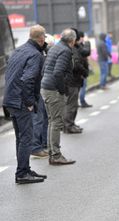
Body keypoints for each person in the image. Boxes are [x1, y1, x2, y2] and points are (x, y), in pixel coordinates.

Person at [3, 24, 47, 184]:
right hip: (21, 100)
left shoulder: (20, 50)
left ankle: (24, 169)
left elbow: (10, 74)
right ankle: (22, 173)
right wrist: (29, 102)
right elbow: (28, 79)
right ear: (42, 38)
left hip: (10, 99)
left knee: (20, 138)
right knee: (27, 137)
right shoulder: (35, 55)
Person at [41, 28, 77, 165]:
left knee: (52, 121)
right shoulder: (65, 50)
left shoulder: (55, 47)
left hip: (46, 87)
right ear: (72, 40)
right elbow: (58, 73)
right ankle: (56, 155)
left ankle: (52, 153)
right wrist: (62, 90)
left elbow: (45, 69)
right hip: (54, 90)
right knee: (56, 122)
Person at [63, 28, 90, 134]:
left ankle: (71, 123)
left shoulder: (75, 47)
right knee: (71, 104)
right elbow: (76, 65)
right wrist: (84, 72)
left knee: (73, 104)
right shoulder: (72, 49)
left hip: (75, 80)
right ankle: (68, 125)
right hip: (72, 81)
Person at [79, 32, 93, 108]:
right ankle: (82, 101)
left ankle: (81, 101)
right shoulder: (79, 46)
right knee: (83, 87)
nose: (83, 39)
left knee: (81, 87)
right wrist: (87, 42)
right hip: (81, 70)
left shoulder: (78, 46)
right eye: (82, 37)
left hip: (81, 69)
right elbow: (87, 52)